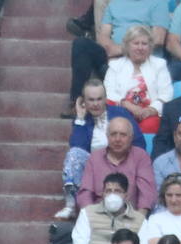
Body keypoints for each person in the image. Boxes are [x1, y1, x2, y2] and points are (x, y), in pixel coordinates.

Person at [57, 78, 148, 219]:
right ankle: (72, 206)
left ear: (106, 99)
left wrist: (122, 155)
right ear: (83, 101)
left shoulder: (120, 113)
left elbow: (139, 143)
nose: (95, 104)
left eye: (99, 99)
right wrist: (80, 118)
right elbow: (77, 148)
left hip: (123, 161)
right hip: (95, 166)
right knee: (74, 154)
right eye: (91, 100)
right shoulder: (83, 120)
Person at [66, 0, 171, 113]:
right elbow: (103, 36)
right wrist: (115, 50)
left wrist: (126, 49)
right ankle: (78, 104)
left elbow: (158, 38)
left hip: (142, 63)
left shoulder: (158, 2)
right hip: (114, 64)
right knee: (81, 44)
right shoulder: (115, 3)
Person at [53, 172, 145, 244]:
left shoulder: (140, 220)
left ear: (126, 195)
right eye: (108, 191)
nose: (112, 195)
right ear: (103, 194)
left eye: (117, 191)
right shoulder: (87, 213)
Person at [76, 116, 157, 213]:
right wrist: (91, 218)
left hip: (130, 217)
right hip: (99, 216)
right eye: (113, 134)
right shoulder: (95, 158)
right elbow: (85, 192)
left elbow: (146, 192)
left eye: (123, 135)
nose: (117, 139)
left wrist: (139, 220)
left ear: (131, 138)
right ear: (107, 136)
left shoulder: (140, 156)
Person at [102, 25, 173, 136]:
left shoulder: (159, 64)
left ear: (150, 47)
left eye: (144, 44)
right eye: (136, 43)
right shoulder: (115, 65)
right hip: (121, 111)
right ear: (127, 46)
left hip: (149, 113)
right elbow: (108, 92)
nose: (140, 48)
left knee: (150, 124)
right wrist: (128, 106)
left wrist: (150, 110)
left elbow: (166, 94)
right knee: (120, 125)